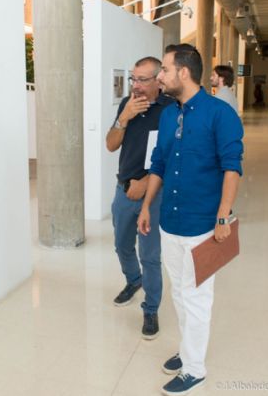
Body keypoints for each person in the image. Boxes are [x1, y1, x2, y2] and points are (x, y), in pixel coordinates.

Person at [137, 44, 244, 395]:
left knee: (197, 297)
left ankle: (195, 369)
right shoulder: (168, 114)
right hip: (170, 222)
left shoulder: (220, 114)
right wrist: (146, 206)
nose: (160, 77)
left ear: (183, 72)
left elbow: (232, 168)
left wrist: (223, 217)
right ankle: (188, 352)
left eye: (164, 70)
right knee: (181, 296)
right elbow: (159, 164)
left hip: (203, 226)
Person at [106, 56, 175, 340]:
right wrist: (124, 118)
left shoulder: (171, 110)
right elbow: (111, 145)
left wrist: (145, 184)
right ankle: (133, 281)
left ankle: (151, 309)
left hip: (154, 196)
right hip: (124, 191)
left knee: (150, 255)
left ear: (159, 81)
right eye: (133, 79)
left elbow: (175, 159)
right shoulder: (126, 104)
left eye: (142, 80)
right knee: (122, 245)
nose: (135, 85)